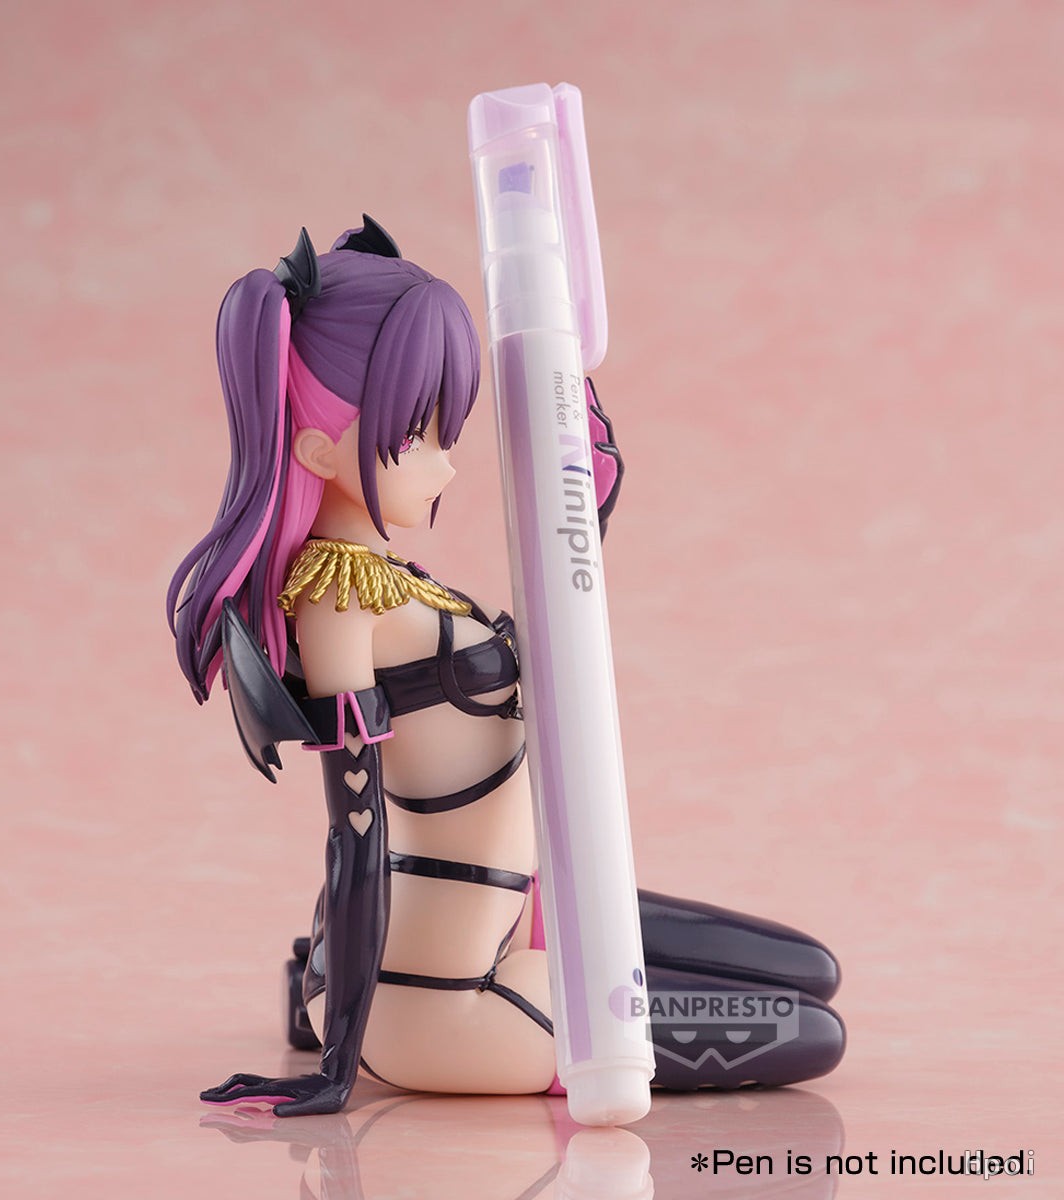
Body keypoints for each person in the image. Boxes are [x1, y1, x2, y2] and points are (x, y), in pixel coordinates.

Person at [168, 218, 845, 1116]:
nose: (446, 466)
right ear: (320, 449)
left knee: (807, 969)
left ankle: (315, 978)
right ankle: (331, 998)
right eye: (415, 437)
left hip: (523, 906)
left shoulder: (388, 578)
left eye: (443, 431)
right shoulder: (337, 600)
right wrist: (338, 1065)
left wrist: (584, 491)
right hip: (449, 995)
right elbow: (356, 834)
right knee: (809, 1029)